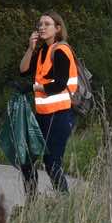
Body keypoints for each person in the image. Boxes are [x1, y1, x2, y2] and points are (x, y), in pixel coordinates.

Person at [17, 11, 79, 195]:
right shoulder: (44, 50)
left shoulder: (62, 51)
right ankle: (32, 202)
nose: (41, 27)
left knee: (52, 163)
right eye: (40, 24)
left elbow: (59, 84)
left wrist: (34, 88)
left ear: (58, 29)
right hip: (42, 114)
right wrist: (31, 48)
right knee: (26, 159)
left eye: (47, 24)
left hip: (60, 115)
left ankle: (64, 204)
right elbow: (23, 70)